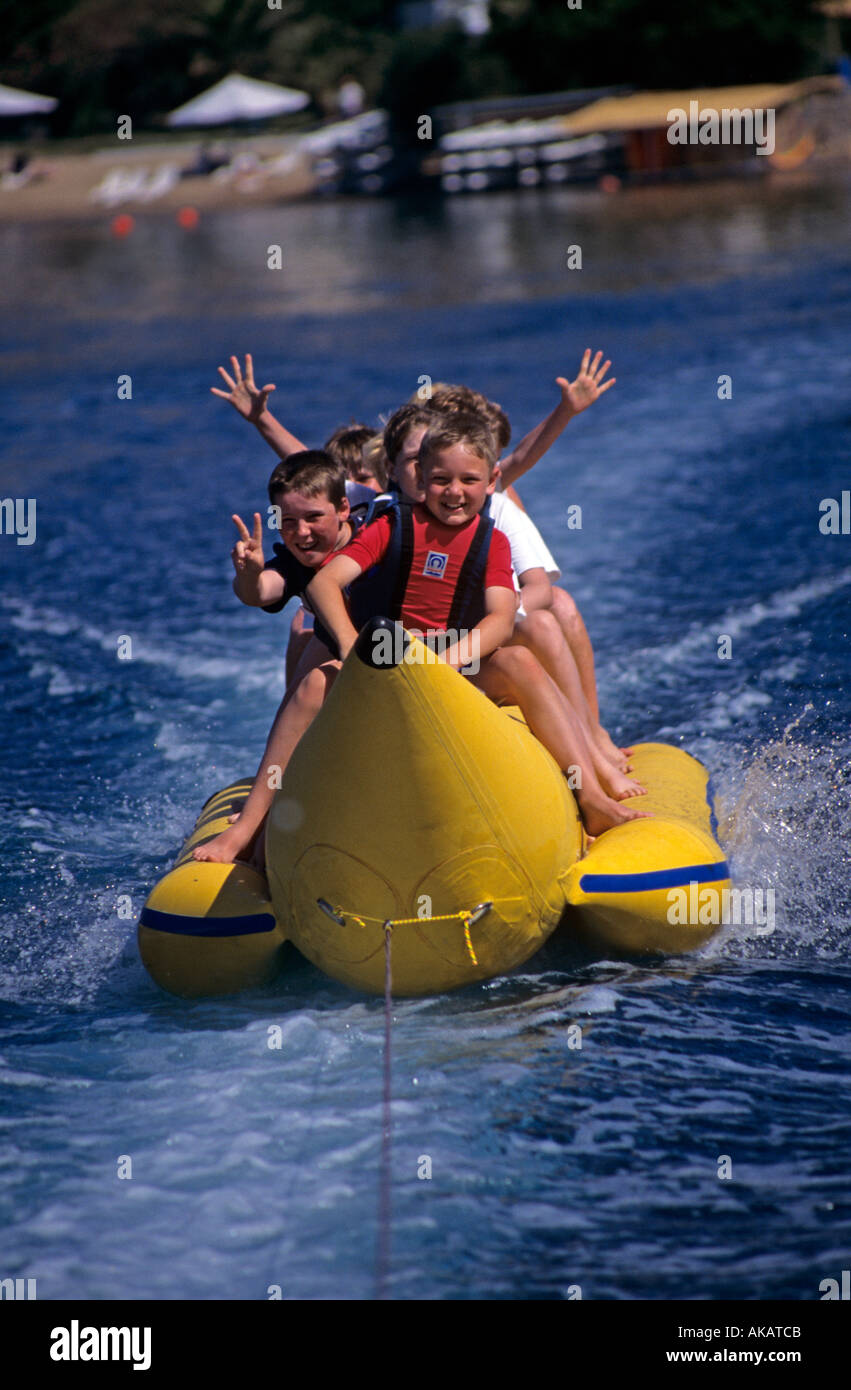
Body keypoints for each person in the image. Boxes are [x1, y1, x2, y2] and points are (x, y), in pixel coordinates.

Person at [308, 414, 649, 838]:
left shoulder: (493, 541)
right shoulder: (391, 527)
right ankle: (268, 820)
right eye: (440, 479)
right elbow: (325, 581)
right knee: (313, 684)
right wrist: (348, 643)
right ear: (419, 476)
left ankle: (591, 797)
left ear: (491, 481)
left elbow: (501, 620)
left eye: (468, 480)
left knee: (521, 662)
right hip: (382, 667)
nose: (454, 492)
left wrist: (443, 666)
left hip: (452, 668)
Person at [374, 399, 641, 799]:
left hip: (472, 640)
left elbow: (515, 465)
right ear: (393, 469)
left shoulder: (489, 517)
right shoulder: (380, 518)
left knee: (551, 615)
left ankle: (592, 746)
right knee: (305, 625)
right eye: (414, 461)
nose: (423, 473)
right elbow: (310, 485)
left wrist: (493, 620)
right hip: (396, 649)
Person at [193, 451, 357, 865]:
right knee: (310, 658)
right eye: (287, 523)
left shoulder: (378, 536)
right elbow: (262, 591)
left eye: (312, 518)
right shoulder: (297, 560)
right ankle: (261, 820)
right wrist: (248, 573)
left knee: (314, 675)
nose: (300, 533)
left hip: (408, 663)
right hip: (352, 675)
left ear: (343, 509)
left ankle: (249, 826)